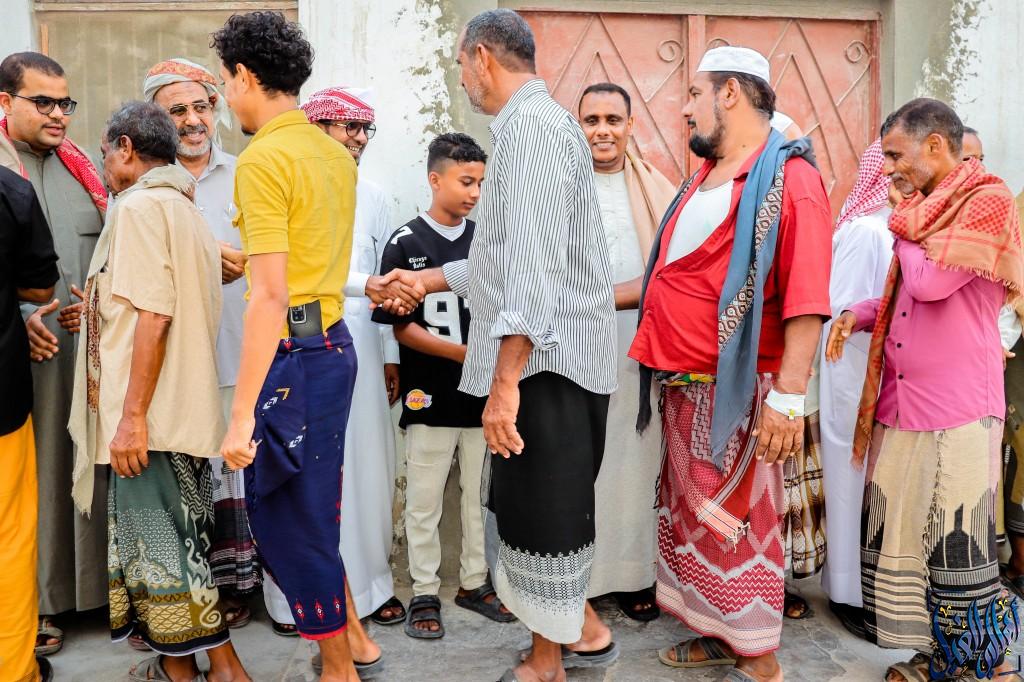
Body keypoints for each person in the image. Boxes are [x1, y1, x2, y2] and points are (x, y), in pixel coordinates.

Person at [380, 10, 619, 681]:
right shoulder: (522, 129)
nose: (463, 78)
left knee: (545, 520)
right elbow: (499, 262)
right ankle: (579, 637)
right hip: (544, 362)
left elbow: (533, 275)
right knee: (534, 515)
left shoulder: (534, 132)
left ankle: (556, 658)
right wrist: (426, 278)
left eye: (461, 64)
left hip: (548, 368)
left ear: (482, 56)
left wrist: (505, 384)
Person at [211, 13, 421, 682]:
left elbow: (272, 296)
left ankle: (338, 668)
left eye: (225, 82)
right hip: (330, 347)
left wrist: (239, 416)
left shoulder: (264, 159)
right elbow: (310, 262)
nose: (227, 97)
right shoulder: (331, 154)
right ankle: (355, 641)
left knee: (288, 523)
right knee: (316, 508)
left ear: (245, 76)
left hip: (292, 359)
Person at [631, 46, 833, 682]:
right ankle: (721, 635)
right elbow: (674, 275)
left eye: (695, 93)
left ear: (730, 94)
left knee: (738, 525)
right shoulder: (704, 176)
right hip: (686, 390)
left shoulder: (790, 181)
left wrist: (788, 400)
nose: (685, 108)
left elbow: (806, 298)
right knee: (696, 523)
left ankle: (760, 657)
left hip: (743, 396)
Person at [826, 98, 1024, 682]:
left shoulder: (985, 200)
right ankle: (939, 655)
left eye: (896, 155)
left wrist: (902, 226)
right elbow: (905, 295)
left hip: (959, 409)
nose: (889, 169)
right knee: (910, 540)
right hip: (903, 404)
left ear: (934, 145)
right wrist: (858, 315)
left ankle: (990, 665)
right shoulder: (922, 212)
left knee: (960, 546)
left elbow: (932, 283)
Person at [67, 100, 250, 682]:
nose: (104, 165)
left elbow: (155, 315)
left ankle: (223, 669)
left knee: (164, 553)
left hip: (151, 418)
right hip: (179, 413)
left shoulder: (140, 207)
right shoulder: (182, 206)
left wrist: (132, 419)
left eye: (105, 152)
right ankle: (181, 668)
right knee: (177, 544)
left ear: (125, 147)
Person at [261, 86, 404, 636]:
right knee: (307, 473)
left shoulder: (375, 195)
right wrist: (362, 284)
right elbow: (287, 269)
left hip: (360, 348)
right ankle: (296, 603)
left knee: (367, 466)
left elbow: (384, 276)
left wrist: (390, 355)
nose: (360, 139)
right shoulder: (286, 179)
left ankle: (370, 588)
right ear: (318, 128)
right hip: (299, 346)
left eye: (366, 129)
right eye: (349, 127)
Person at [373, 132, 516, 640]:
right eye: (465, 181)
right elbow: (401, 327)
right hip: (429, 394)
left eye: (480, 182)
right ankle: (425, 589)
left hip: (483, 399)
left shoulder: (487, 241)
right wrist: (465, 354)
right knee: (424, 499)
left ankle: (474, 582)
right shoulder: (405, 242)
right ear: (435, 179)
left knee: (477, 496)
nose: (475, 192)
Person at [143, 56, 258, 632]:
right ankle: (198, 595)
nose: (192, 120)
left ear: (216, 110)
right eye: (176, 111)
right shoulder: (143, 186)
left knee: (238, 470)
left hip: (241, 347)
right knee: (190, 476)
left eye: (201, 106)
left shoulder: (245, 173)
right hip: (175, 361)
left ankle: (242, 588)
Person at [0, 51, 108, 657]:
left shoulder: (83, 168)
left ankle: (93, 591)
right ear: (5, 102)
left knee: (88, 464)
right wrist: (22, 319)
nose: (58, 114)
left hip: (88, 354)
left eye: (65, 102)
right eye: (42, 101)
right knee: (31, 481)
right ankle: (35, 605)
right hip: (20, 362)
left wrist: (96, 305)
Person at [576, 81, 675, 622]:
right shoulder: (559, 187)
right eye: (591, 120)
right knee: (581, 460)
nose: (602, 131)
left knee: (635, 460)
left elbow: (675, 271)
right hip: (571, 347)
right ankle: (585, 577)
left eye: (613, 120)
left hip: (639, 348)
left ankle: (636, 575)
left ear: (631, 126)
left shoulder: (657, 189)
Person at [816, 140, 895, 638]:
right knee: (850, 476)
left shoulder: (892, 227)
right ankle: (848, 593)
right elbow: (843, 309)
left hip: (879, 372)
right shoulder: (868, 230)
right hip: (854, 372)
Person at [0, 164, 59, 682]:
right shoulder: (10, 190)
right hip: (1, 401)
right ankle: (13, 670)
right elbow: (41, 290)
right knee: (9, 538)